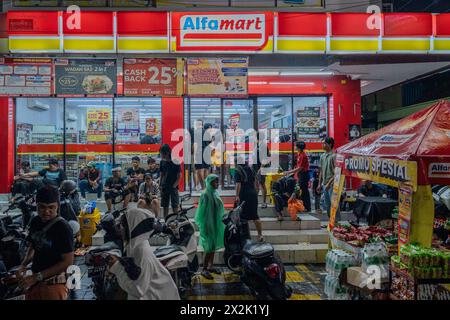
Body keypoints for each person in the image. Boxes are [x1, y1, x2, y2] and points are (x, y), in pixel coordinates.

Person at [106, 207, 180, 300]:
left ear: (132, 226)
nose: (120, 228)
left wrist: (117, 268)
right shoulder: (134, 245)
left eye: (123, 225)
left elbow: (138, 290)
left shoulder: (141, 252)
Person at [16, 185, 74, 300]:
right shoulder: (35, 221)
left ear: (57, 206)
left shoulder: (63, 228)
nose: (46, 211)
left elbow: (68, 261)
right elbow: (33, 245)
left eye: (51, 207)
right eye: (42, 207)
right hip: (35, 279)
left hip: (54, 284)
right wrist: (23, 265)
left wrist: (37, 277)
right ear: (36, 205)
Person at [195, 174, 225, 280]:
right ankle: (204, 269)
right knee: (208, 247)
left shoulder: (214, 192)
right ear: (209, 182)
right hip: (208, 224)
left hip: (215, 223)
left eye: (217, 182)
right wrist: (203, 224)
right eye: (215, 182)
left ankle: (210, 266)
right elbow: (200, 211)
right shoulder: (205, 194)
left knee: (212, 246)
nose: (217, 184)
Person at [235, 157, 263, 242]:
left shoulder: (238, 171)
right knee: (255, 215)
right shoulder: (251, 169)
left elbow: (238, 184)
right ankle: (260, 235)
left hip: (244, 194)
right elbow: (256, 182)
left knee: (243, 216)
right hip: (253, 194)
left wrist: (237, 195)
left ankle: (246, 236)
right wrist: (256, 192)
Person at [285, 141, 311, 212]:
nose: (295, 147)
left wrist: (289, 172)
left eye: (296, 146)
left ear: (299, 147)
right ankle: (302, 206)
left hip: (304, 175)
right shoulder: (299, 154)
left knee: (303, 191)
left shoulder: (303, 155)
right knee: (301, 191)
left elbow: (300, 168)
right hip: (301, 175)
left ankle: (306, 207)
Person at [317, 137, 339, 221]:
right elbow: (321, 171)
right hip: (324, 184)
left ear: (330, 144)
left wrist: (329, 183)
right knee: (327, 204)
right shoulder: (322, 156)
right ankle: (331, 222)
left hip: (332, 184)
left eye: (324, 143)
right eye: (322, 143)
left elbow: (337, 172)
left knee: (334, 203)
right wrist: (319, 183)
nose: (322, 145)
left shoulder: (334, 156)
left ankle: (336, 222)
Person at [159, 144, 181, 218]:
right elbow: (161, 175)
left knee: (175, 205)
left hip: (173, 187)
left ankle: (176, 220)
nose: (161, 155)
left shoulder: (176, 161)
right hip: (164, 186)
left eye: (161, 153)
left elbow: (179, 176)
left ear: (167, 153)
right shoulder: (162, 162)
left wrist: (174, 186)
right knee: (165, 206)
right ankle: (166, 221)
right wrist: (160, 185)